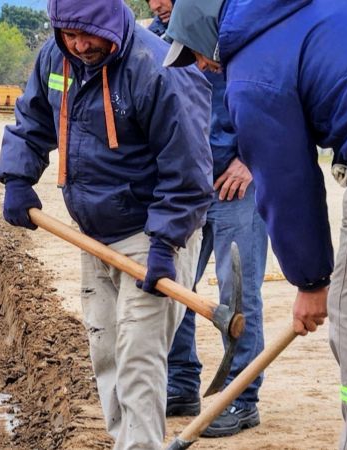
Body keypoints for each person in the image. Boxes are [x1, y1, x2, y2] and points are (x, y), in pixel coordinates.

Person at [164, 0, 347, 448]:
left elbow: (288, 181)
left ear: (210, 29)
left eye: (196, 53)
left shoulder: (253, 74)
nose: (201, 66)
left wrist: (312, 281)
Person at [0, 0, 214, 447]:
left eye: (87, 35)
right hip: (94, 235)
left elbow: (189, 168)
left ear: (112, 20)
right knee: (107, 352)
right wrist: (18, 177)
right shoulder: (57, 57)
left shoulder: (158, 68)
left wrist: (165, 243)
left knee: (138, 358)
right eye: (68, 35)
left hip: (154, 233)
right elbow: (33, 117)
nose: (79, 45)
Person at [146, 0, 269, 438]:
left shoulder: (234, 38)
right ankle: (180, 385)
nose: (156, 3)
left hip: (237, 186)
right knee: (174, 288)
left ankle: (242, 399)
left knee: (239, 294)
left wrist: (251, 160)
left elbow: (273, 103)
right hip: (187, 189)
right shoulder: (157, 45)